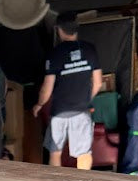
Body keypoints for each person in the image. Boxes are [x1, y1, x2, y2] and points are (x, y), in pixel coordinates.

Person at [32, 12, 103, 169]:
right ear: (76, 29)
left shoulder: (54, 54)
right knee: (84, 154)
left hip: (59, 113)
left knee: (55, 152)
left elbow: (47, 87)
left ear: (59, 30)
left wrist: (39, 104)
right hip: (82, 112)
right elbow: (98, 83)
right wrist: (85, 98)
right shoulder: (90, 50)